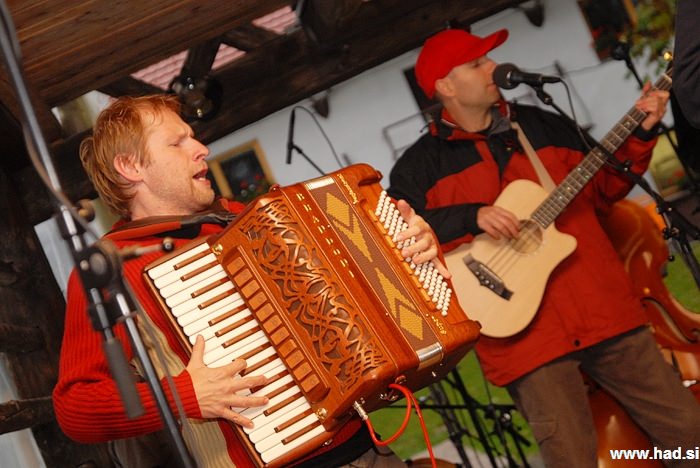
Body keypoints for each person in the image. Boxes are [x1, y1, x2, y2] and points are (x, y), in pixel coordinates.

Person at [52, 94, 446, 467]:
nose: (201, 148)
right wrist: (186, 395)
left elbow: (356, 288)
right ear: (130, 167)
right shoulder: (111, 270)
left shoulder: (248, 220)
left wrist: (413, 251)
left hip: (366, 449)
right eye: (177, 142)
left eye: (193, 137)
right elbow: (75, 408)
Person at [387, 28, 700, 467]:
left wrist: (642, 134)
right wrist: (471, 216)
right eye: (478, 63)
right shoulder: (417, 168)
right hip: (523, 339)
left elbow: (605, 188)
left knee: (687, 432)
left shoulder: (542, 123)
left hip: (601, 309)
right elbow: (396, 239)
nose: (494, 67)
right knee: (571, 458)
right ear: (446, 86)